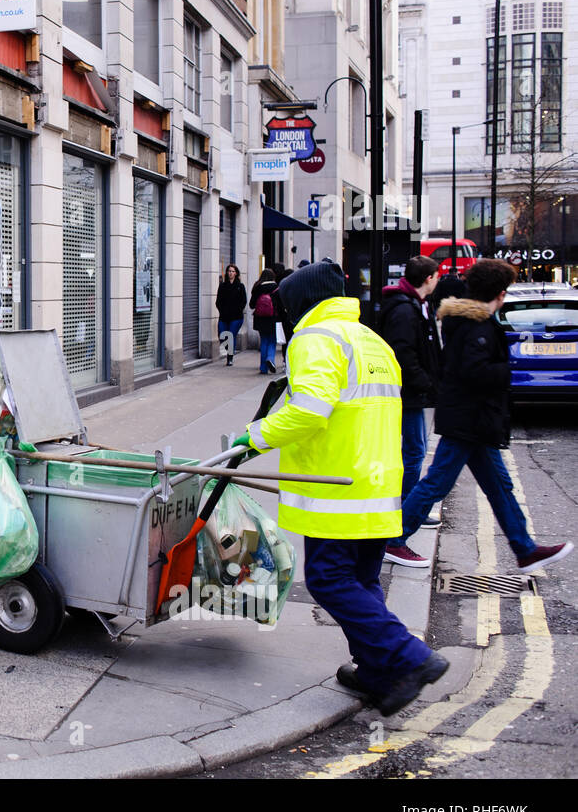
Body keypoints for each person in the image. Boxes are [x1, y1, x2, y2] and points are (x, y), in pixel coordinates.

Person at [234, 259, 448, 716]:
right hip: (377, 482)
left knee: (330, 581)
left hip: (337, 486)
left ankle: (411, 657)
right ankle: (378, 672)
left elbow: (310, 410)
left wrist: (254, 437)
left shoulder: (315, 339)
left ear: (301, 305)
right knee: (362, 579)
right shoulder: (370, 340)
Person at [386, 259, 573, 574]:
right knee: (435, 485)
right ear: (499, 294)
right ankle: (392, 540)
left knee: (500, 486)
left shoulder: (469, 322)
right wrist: (506, 371)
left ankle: (525, 549)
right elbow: (473, 372)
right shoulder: (477, 328)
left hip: (474, 422)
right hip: (468, 422)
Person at [378, 255, 442, 566]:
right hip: (408, 393)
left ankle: (409, 510)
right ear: (428, 278)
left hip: (412, 392)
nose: (439, 280)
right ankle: (401, 518)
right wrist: (425, 382)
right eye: (437, 275)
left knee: (414, 452)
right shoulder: (405, 308)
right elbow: (402, 352)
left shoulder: (415, 304)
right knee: (414, 453)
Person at [215, 264, 247, 367]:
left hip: (236, 317)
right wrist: (222, 310)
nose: (230, 273)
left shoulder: (240, 286)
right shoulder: (222, 286)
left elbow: (244, 301)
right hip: (224, 316)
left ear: (236, 273)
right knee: (222, 336)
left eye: (233, 271)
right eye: (229, 271)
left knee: (230, 336)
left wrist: (238, 310)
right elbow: (218, 301)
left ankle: (230, 358)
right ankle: (229, 350)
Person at [249, 269, 279, 374]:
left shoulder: (257, 287)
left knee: (264, 341)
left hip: (260, 319)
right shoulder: (276, 288)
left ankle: (263, 368)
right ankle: (270, 359)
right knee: (272, 341)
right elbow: (280, 304)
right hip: (273, 318)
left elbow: (251, 304)